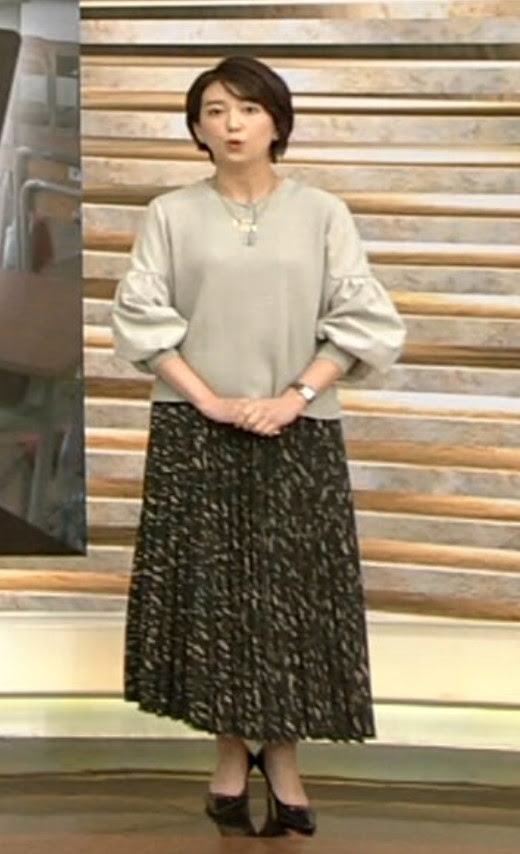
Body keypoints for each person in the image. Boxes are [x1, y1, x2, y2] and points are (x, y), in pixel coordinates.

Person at [112, 55, 406, 838]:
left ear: (277, 121)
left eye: (247, 108)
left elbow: (362, 320)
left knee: (293, 601)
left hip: (299, 430)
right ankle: (228, 755)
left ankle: (283, 758)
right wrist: (210, 400)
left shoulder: (323, 213)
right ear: (196, 128)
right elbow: (142, 319)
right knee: (214, 598)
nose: (231, 123)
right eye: (214, 110)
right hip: (193, 429)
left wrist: (293, 397)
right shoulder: (170, 213)